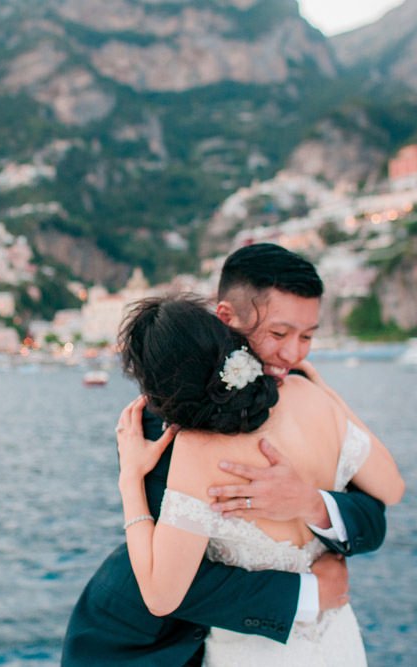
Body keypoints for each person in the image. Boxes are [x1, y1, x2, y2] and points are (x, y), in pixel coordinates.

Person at [63, 244, 389, 666]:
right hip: (160, 647)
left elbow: (370, 515)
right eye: (277, 333)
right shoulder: (160, 427)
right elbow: (179, 581)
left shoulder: (309, 392)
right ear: (227, 323)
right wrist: (307, 595)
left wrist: (313, 504)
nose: (292, 354)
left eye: (304, 336)